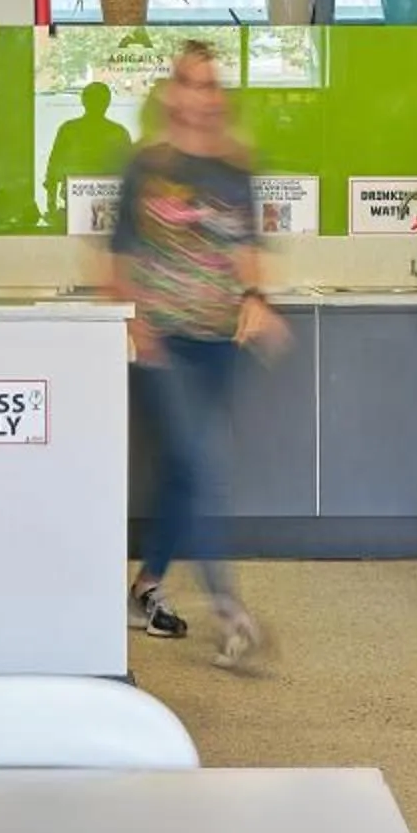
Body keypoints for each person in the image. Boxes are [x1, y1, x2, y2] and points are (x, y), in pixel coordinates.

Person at [107, 43, 281, 670]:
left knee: (187, 469)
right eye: (190, 83)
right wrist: (137, 323)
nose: (202, 95)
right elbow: (118, 260)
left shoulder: (235, 169)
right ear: (172, 93)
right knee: (203, 464)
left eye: (211, 85)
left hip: (217, 341)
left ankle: (146, 588)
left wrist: (257, 299)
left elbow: (247, 248)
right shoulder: (146, 167)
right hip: (164, 344)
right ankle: (229, 610)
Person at [44, 80, 136, 224]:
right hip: (96, 202)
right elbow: (54, 168)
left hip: (93, 202)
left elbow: (53, 168)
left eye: (98, 100)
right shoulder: (117, 132)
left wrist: (51, 205)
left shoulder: (70, 130)